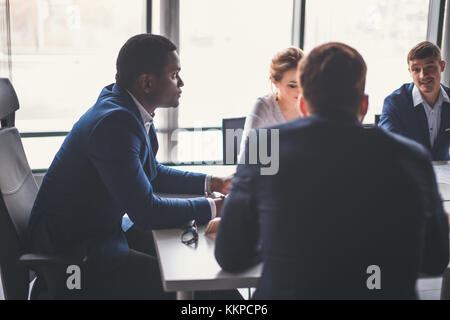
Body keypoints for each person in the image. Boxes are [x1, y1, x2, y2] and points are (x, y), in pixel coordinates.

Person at [215, 42, 449, 299]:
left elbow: (231, 255)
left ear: (303, 106)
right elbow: (435, 259)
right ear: (363, 106)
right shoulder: (413, 158)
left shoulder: (263, 146)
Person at [27, 34, 234, 299]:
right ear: (146, 82)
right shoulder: (115, 124)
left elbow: (153, 173)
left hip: (99, 233)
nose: (181, 83)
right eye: (174, 75)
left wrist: (215, 183)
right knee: (197, 288)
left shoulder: (126, 107)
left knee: (199, 272)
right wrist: (215, 206)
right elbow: (146, 212)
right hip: (77, 256)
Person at [379, 41, 450, 161]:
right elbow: (387, 144)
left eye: (430, 67)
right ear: (410, 72)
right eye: (416, 69)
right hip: (408, 173)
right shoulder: (395, 103)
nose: (423, 75)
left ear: (442, 66)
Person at [237, 47, 304, 163]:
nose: (300, 91)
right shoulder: (264, 107)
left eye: (304, 82)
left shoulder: (312, 105)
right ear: (275, 82)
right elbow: (245, 159)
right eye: (292, 85)